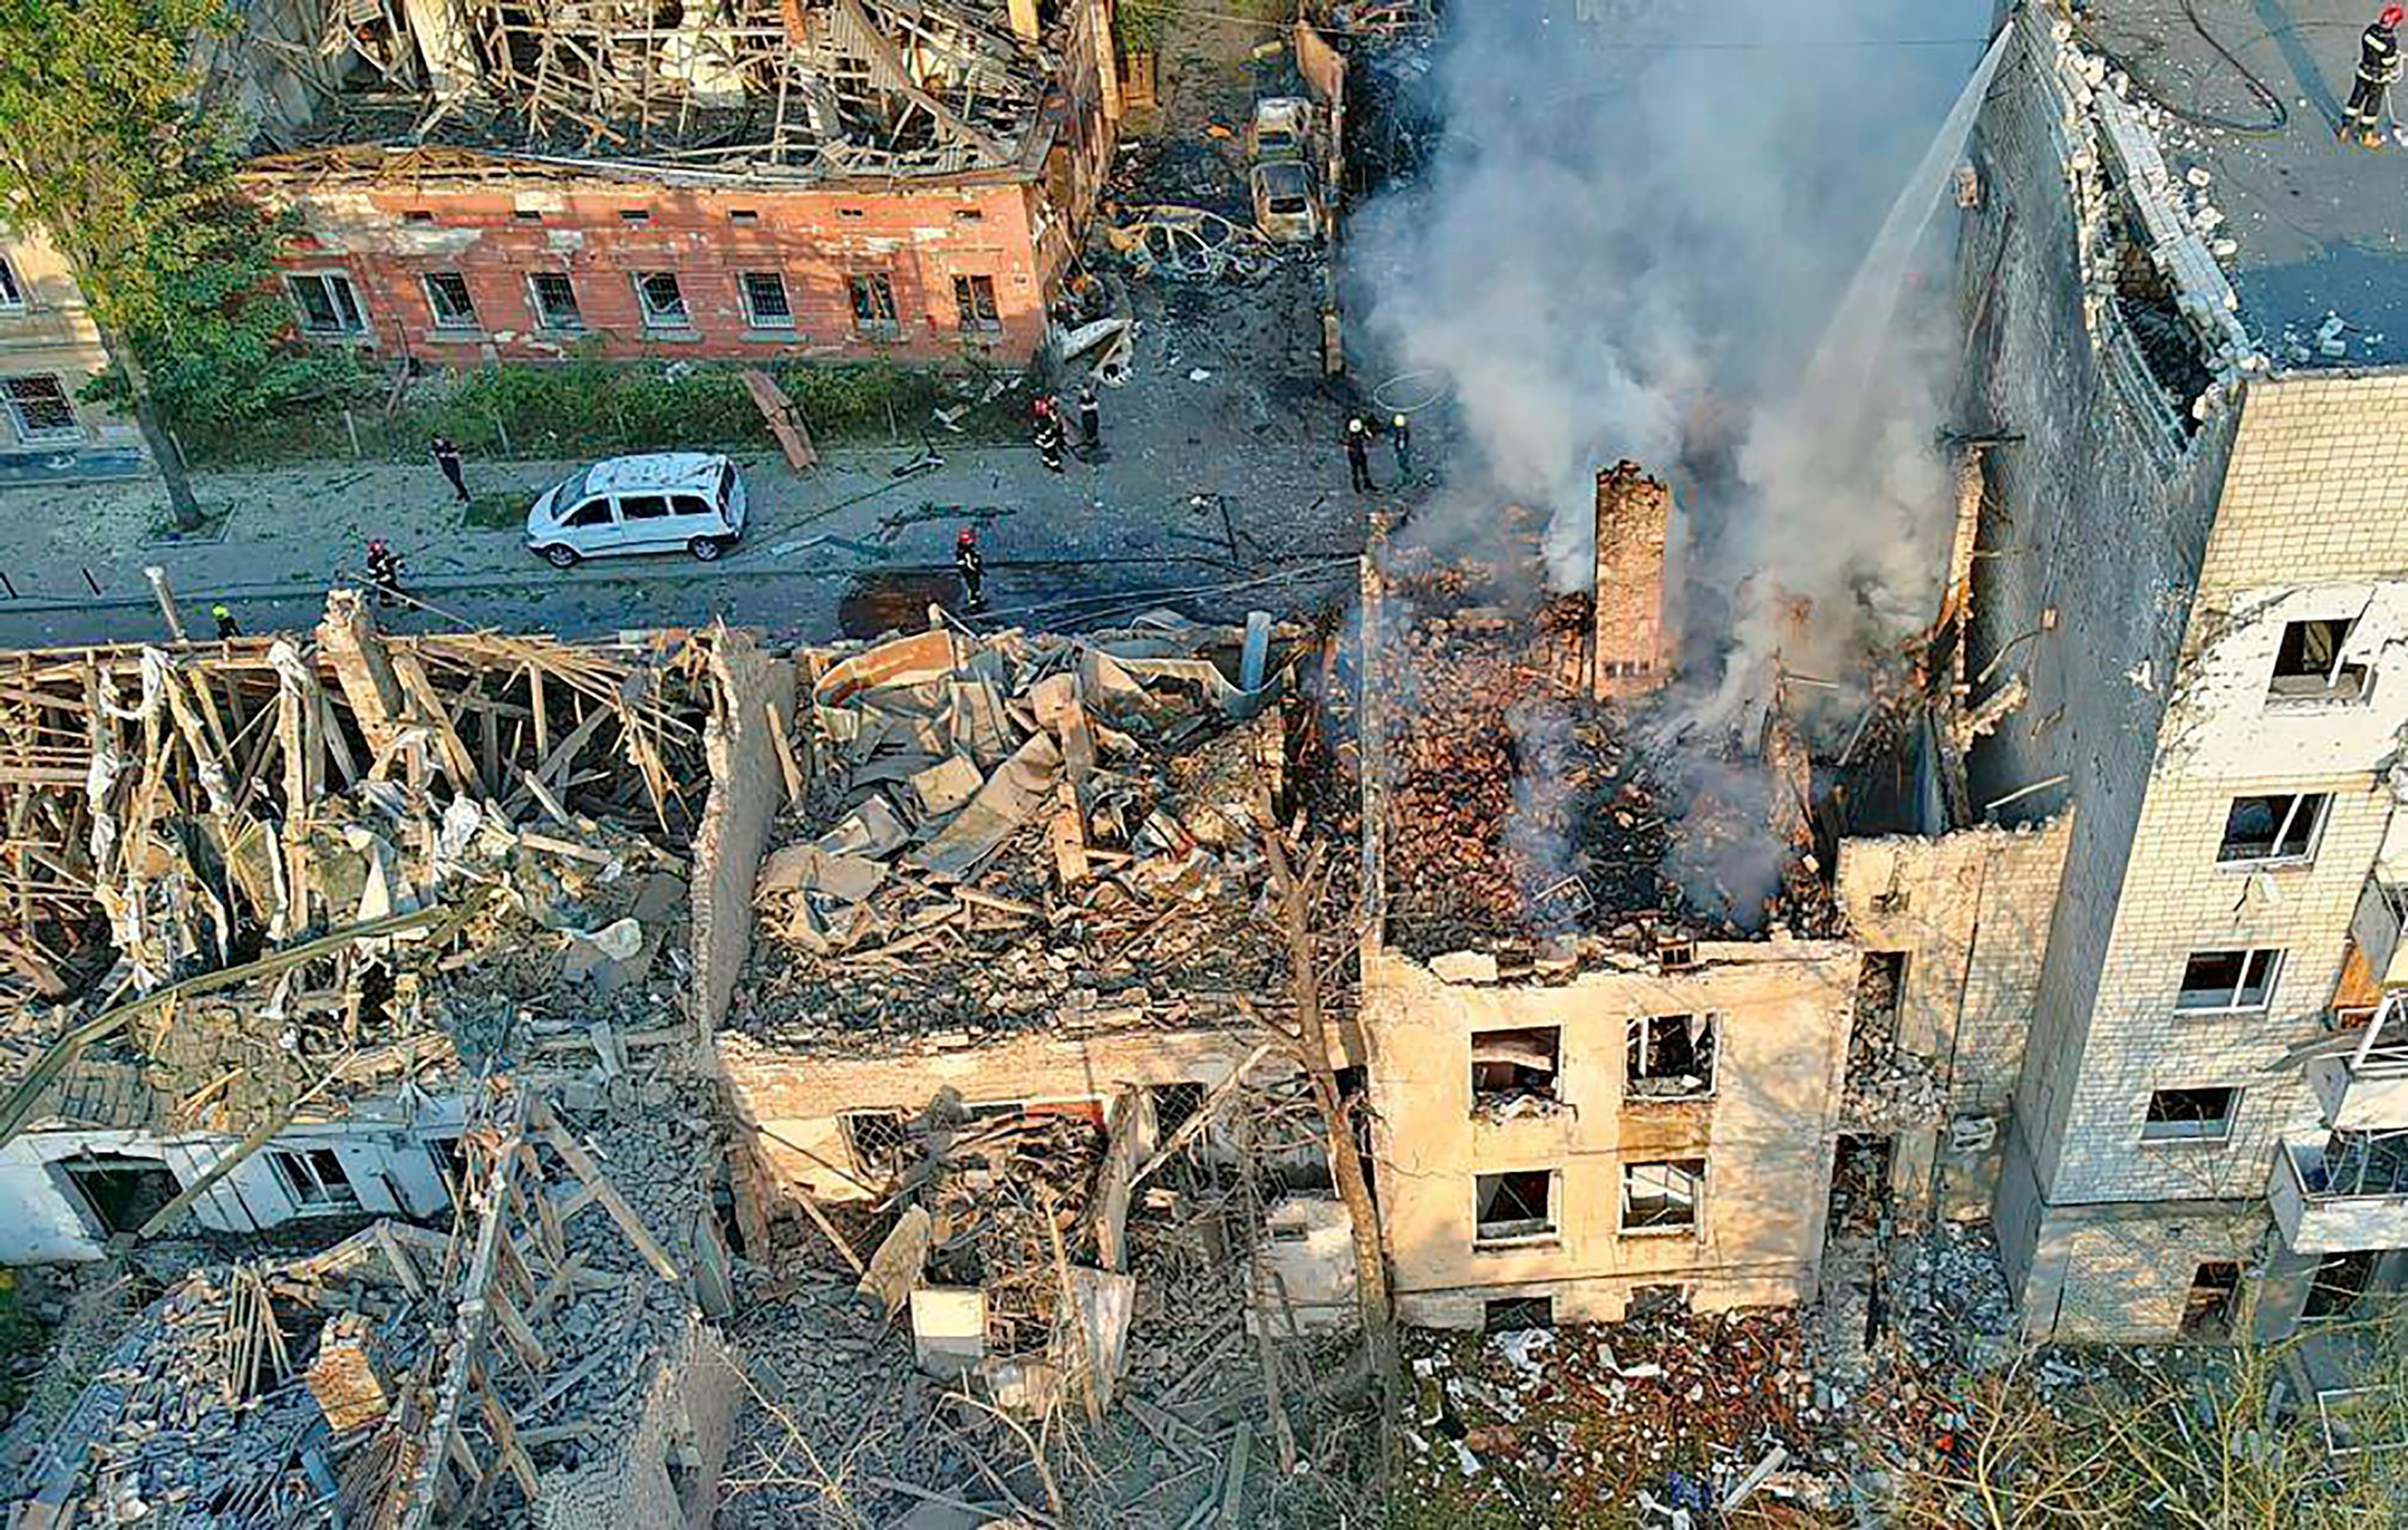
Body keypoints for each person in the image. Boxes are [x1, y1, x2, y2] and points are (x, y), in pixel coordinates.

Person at [2344, 6, 2403, 147]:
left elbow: (2366, 42)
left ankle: (2345, 128)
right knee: (2372, 106)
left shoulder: (2371, 30)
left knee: (2356, 99)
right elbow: (2388, 62)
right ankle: (2366, 136)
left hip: (2363, 71)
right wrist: (2395, 58)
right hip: (2377, 79)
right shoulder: (2390, 42)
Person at [955, 527, 986, 611]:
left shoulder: (966, 550)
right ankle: (974, 602)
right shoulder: (966, 552)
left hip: (969, 570)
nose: (972, 542)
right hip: (970, 571)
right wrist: (977, 570)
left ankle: (976, 599)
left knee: (974, 585)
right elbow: (970, 564)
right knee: (973, 585)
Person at [366, 539, 403, 608]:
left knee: (393, 588)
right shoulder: (372, 561)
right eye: (379, 550)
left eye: (382, 548)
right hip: (381, 580)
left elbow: (392, 560)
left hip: (388, 577)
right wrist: (381, 572)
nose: (381, 551)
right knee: (386, 591)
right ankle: (374, 601)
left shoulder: (385, 554)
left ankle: (403, 599)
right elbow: (373, 573)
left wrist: (399, 564)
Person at [430, 435, 468, 503]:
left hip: (454, 465)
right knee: (455, 480)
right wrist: (451, 455)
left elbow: (458, 453)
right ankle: (464, 495)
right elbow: (440, 455)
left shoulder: (448, 444)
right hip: (446, 467)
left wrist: (455, 454)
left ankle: (464, 495)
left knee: (457, 480)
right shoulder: (436, 447)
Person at [1345, 417, 1374, 492]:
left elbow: (1369, 437)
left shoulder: (1361, 433)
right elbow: (1346, 443)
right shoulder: (1349, 435)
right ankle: (1356, 485)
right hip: (1354, 454)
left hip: (1361, 452)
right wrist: (1350, 447)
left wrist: (1366, 431)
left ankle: (1367, 483)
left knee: (1364, 469)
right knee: (1355, 470)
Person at [1035, 407, 1065, 473]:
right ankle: (1055, 466)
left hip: (1047, 444)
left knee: (1047, 454)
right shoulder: (1045, 427)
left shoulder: (1042, 424)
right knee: (1052, 455)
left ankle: (1047, 462)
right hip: (1049, 444)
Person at [1077, 384, 1101, 451]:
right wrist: (1090, 407)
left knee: (1093, 428)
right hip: (1087, 416)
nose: (1085, 393)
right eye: (1084, 392)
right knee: (1088, 428)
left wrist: (1088, 407)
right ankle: (1090, 441)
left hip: (1092, 416)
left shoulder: (1092, 398)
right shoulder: (1082, 399)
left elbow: (1096, 405)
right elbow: (1082, 407)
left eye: (1086, 392)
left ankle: (1095, 441)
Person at [1391, 411, 1413, 481]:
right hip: (1401, 446)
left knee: (1402, 456)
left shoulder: (1400, 431)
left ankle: (1404, 469)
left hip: (1401, 446)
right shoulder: (1403, 431)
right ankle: (1404, 470)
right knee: (1402, 456)